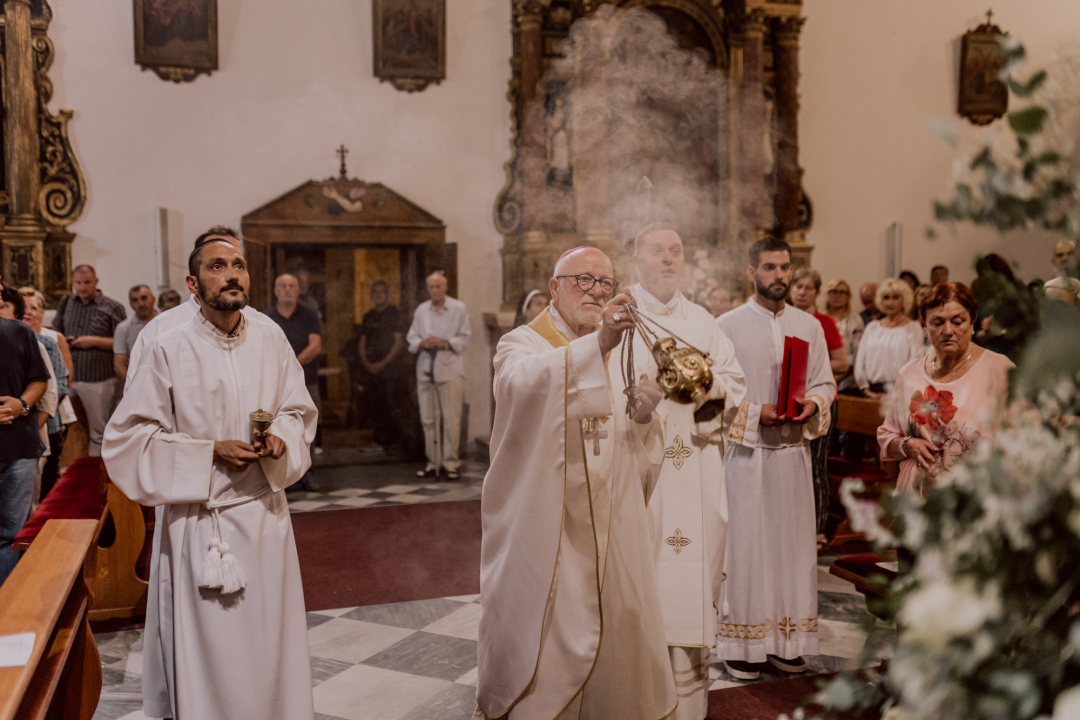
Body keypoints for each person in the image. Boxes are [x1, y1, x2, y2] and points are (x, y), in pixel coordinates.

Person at [102, 236, 318, 720]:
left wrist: (282, 435)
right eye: (218, 266)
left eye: (238, 265)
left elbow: (298, 410)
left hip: (264, 517)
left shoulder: (269, 335)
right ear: (193, 283)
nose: (232, 274)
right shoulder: (165, 342)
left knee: (269, 644)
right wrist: (208, 453)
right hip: (200, 524)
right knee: (214, 658)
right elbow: (127, 441)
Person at [477, 246, 676, 720]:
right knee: (549, 643)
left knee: (619, 635)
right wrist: (599, 345)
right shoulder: (522, 344)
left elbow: (630, 445)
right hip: (551, 529)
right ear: (555, 287)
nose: (596, 292)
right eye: (583, 280)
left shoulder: (614, 351)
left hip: (614, 526)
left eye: (605, 283)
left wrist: (644, 415)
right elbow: (519, 385)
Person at [624, 227, 746, 719]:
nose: (669, 259)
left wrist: (698, 384)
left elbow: (734, 386)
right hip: (637, 473)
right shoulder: (619, 316)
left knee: (692, 589)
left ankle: (688, 710)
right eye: (658, 250)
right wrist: (639, 401)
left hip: (696, 468)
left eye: (676, 251)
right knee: (638, 587)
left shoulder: (702, 321)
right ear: (636, 259)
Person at [715, 237, 836, 680]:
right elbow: (716, 395)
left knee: (791, 549)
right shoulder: (725, 326)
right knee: (747, 550)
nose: (779, 276)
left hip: (790, 455)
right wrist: (754, 412)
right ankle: (742, 646)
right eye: (769, 268)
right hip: (747, 457)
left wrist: (814, 405)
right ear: (751, 272)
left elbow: (825, 382)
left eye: (785, 268)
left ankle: (787, 642)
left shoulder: (810, 326)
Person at [878, 283, 1014, 496]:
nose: (948, 331)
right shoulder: (908, 374)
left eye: (957, 321)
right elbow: (888, 437)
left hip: (973, 497)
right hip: (916, 495)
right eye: (937, 323)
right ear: (924, 326)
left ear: (973, 321)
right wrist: (908, 445)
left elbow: (1021, 445)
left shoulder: (999, 370)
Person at [789, 268, 848, 551]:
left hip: (822, 400)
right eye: (797, 287)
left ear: (817, 292)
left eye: (808, 288)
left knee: (816, 464)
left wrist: (811, 368)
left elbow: (842, 363)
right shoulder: (784, 319)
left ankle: (818, 528)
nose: (802, 292)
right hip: (790, 397)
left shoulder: (823, 322)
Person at [0, 283, 51, 586]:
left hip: (19, 448)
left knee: (11, 533)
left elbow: (40, 380)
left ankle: (7, 608)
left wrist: (21, 404)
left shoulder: (19, 332)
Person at [52, 264, 126, 455]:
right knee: (57, 426)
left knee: (99, 431)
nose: (82, 287)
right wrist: (65, 341)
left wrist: (93, 341)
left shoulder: (112, 307)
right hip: (68, 377)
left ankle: (97, 475)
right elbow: (55, 333)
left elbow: (122, 344)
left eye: (87, 282)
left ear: (96, 282)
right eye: (78, 282)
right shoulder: (66, 302)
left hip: (98, 379)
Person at [406, 272, 471, 480]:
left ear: (445, 287)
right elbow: (411, 337)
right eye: (431, 287)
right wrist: (422, 343)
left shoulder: (458, 308)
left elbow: (465, 337)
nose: (435, 291)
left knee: (451, 419)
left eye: (438, 287)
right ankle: (433, 462)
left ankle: (451, 463)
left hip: (449, 368)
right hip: (426, 369)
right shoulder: (421, 310)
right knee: (428, 419)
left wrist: (443, 342)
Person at [20, 288, 75, 500]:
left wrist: (41, 413)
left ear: (42, 313)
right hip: (23, 415)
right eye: (24, 307)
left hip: (51, 416)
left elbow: (63, 380)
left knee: (48, 472)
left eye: (34, 307)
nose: (28, 312)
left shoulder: (51, 339)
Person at [854, 278, 924, 397]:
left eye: (895, 297)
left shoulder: (913, 328)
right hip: (871, 392)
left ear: (904, 299)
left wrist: (899, 392)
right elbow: (860, 361)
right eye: (886, 297)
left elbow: (914, 363)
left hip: (900, 393)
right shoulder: (872, 327)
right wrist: (865, 389)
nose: (890, 303)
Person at [358, 280, 405, 453]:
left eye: (382, 292)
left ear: (387, 294)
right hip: (371, 369)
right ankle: (378, 441)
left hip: (390, 369)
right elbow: (362, 342)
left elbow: (398, 343)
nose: (379, 295)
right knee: (374, 405)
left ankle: (394, 443)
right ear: (371, 295)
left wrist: (382, 364)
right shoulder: (368, 316)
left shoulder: (394, 314)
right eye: (375, 292)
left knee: (391, 405)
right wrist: (366, 362)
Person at [822, 278, 864, 393]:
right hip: (822, 376)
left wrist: (841, 375)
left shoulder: (855, 320)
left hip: (848, 380)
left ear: (848, 296)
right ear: (828, 294)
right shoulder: (820, 319)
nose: (838, 296)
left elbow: (858, 353)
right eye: (834, 291)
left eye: (842, 292)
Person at [113, 284, 158, 383]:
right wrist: (134, 384)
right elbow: (119, 364)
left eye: (144, 298)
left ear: (153, 299)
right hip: (137, 381)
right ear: (131, 305)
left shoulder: (168, 322)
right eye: (135, 300)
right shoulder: (123, 328)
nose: (141, 303)